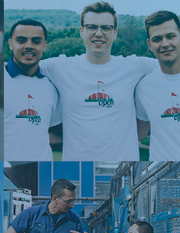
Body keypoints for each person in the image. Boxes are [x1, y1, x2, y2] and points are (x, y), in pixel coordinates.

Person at [39, 1, 157, 161]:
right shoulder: (60, 67)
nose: (99, 33)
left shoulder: (135, 66)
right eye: (92, 27)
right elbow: (18, 67)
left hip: (123, 165)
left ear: (115, 33)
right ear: (82, 31)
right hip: (77, 164)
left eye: (106, 28)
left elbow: (173, 66)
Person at [4, 18, 60, 161]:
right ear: (11, 44)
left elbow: (50, 130)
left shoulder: (53, 86)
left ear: (44, 45)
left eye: (36, 41)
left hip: (41, 167)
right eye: (21, 40)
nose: (29, 46)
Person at [136, 10, 180, 160]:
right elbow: (140, 132)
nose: (165, 44)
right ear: (150, 44)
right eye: (157, 39)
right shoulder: (143, 87)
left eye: (171, 36)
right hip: (161, 173)